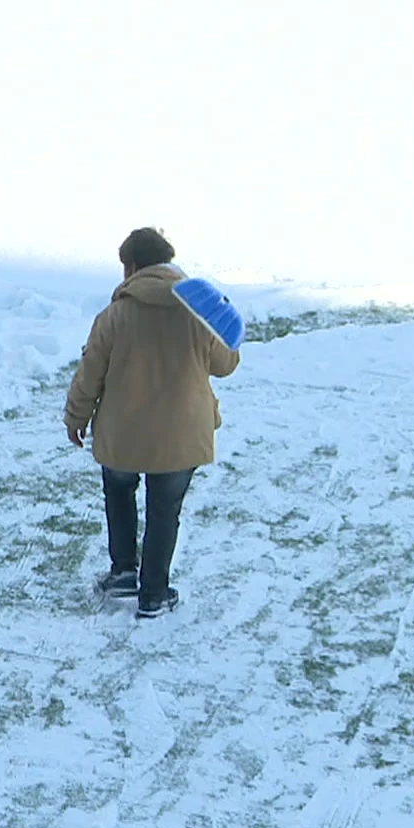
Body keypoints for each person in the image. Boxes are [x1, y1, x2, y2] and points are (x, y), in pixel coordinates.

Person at [64, 226, 240, 619]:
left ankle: (124, 571)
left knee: (119, 494)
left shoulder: (113, 316)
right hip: (182, 435)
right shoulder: (198, 314)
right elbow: (225, 365)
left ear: (132, 267)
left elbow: (89, 374)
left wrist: (75, 418)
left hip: (122, 433)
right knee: (165, 510)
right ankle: (154, 594)